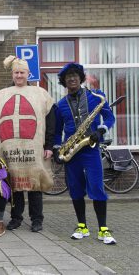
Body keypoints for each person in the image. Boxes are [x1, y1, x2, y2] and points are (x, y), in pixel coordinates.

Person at [0, 56, 56, 232]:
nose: (19, 75)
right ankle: (16, 218)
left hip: (33, 150)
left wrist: (49, 145)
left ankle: (37, 220)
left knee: (35, 185)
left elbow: (51, 122)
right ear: (12, 74)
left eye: (22, 72)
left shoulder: (40, 94)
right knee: (15, 186)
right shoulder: (2, 95)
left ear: (28, 74)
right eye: (16, 72)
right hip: (10, 151)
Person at [54, 63, 116, 244]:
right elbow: (57, 131)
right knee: (75, 189)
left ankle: (103, 229)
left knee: (97, 187)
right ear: (64, 82)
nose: (72, 79)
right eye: (68, 77)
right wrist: (58, 149)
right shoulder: (60, 105)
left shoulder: (96, 97)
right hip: (72, 152)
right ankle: (82, 226)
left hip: (91, 148)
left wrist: (101, 130)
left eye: (75, 75)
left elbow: (110, 117)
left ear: (81, 78)